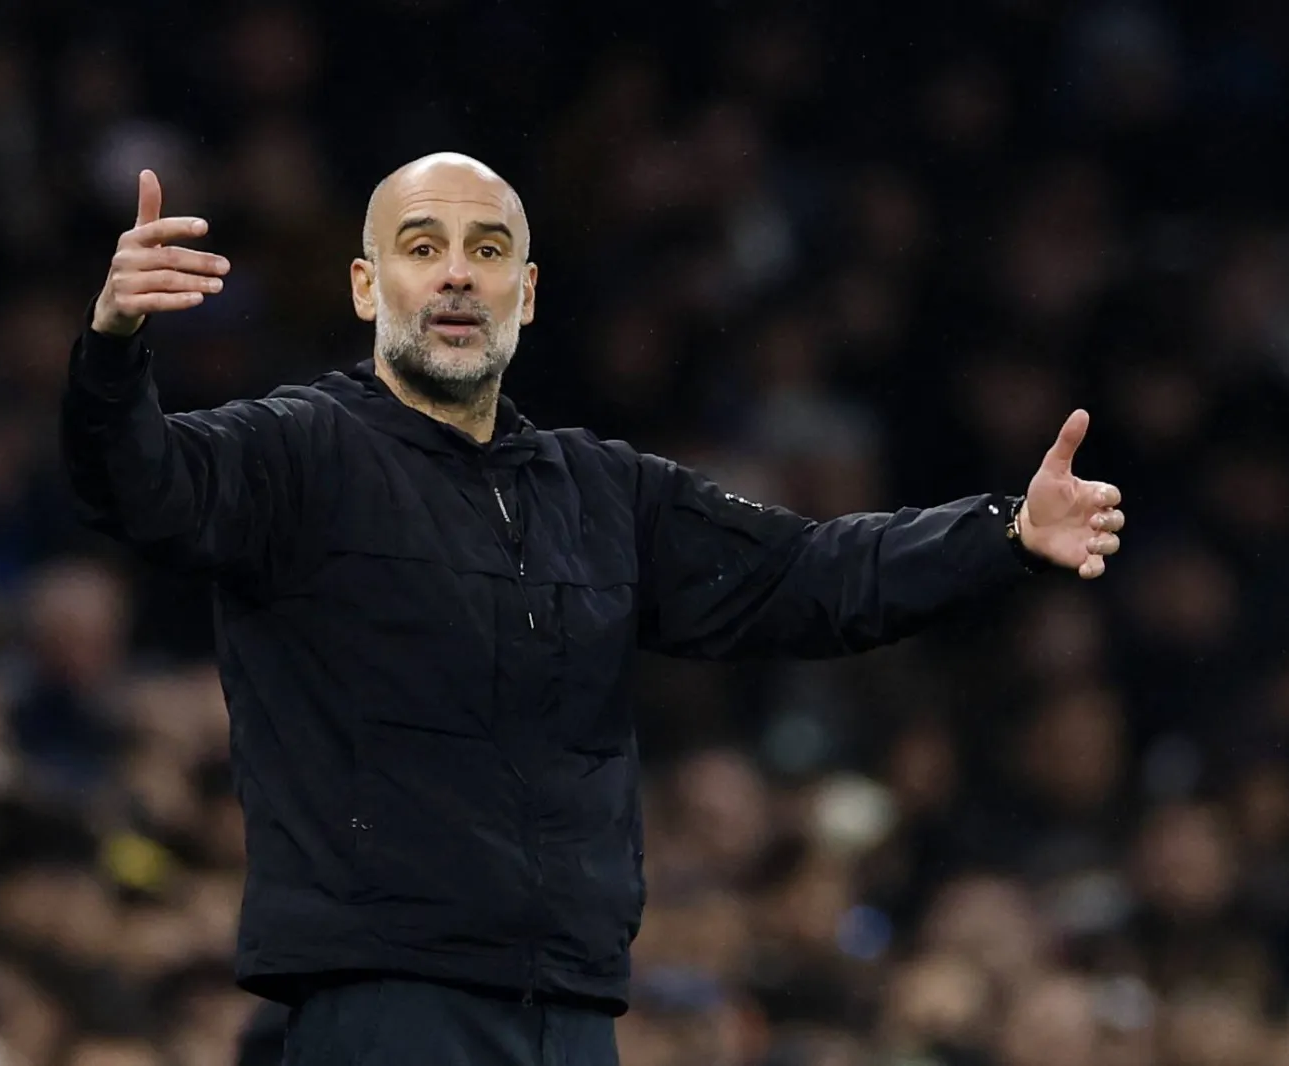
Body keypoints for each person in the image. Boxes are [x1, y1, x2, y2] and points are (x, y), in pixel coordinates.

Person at [61, 153, 1125, 1066]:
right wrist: (113, 350)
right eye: (423, 247)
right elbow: (142, 485)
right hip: (385, 998)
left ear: (526, 294)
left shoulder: (605, 491)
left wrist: (1002, 532)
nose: (457, 274)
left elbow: (808, 573)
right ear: (364, 285)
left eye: (487, 251)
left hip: (570, 1007)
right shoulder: (294, 449)